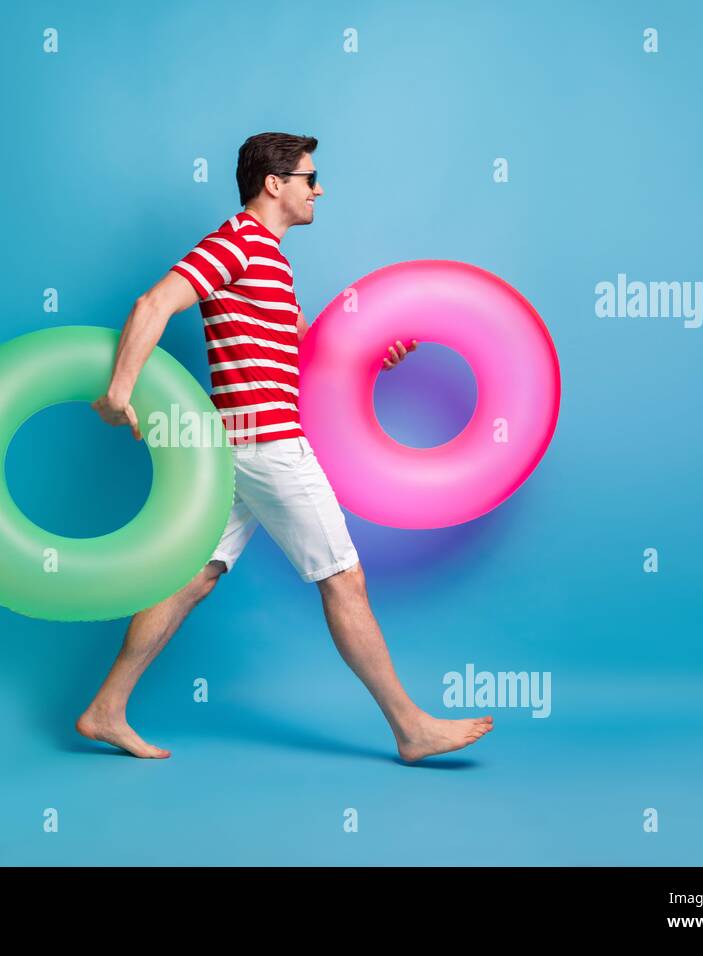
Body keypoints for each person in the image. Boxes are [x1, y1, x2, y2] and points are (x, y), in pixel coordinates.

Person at [77, 132, 493, 762]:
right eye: (309, 177)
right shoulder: (236, 242)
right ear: (274, 184)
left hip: (233, 448)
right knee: (344, 577)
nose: (318, 189)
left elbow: (305, 340)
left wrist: (374, 356)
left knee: (194, 579)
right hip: (267, 442)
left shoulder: (269, 258)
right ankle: (411, 728)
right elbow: (153, 302)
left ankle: (105, 710)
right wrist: (118, 392)